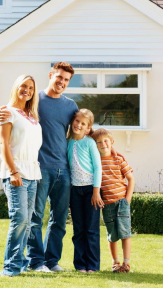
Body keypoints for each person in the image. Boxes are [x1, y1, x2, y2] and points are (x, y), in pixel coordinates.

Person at [0, 62, 78, 272]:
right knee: (33, 219)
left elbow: (81, 130)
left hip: (63, 168)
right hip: (39, 169)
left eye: (66, 79)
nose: (61, 82)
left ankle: (51, 262)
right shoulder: (34, 100)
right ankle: (35, 261)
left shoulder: (70, 106)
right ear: (51, 75)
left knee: (59, 220)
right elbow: (10, 116)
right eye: (59, 77)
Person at [0, 75, 42, 277]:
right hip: (16, 173)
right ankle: (10, 267)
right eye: (23, 86)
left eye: (31, 88)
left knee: (26, 223)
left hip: (32, 173)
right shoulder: (7, 112)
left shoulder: (30, 116)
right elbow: (4, 144)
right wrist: (13, 171)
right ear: (16, 87)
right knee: (20, 220)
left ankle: (21, 263)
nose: (27, 90)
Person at [92, 128, 135, 273]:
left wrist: (127, 200)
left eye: (106, 141)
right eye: (99, 142)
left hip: (121, 202)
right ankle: (115, 262)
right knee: (112, 235)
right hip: (107, 205)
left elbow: (131, 179)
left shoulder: (118, 159)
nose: (103, 144)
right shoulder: (95, 161)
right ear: (95, 145)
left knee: (125, 233)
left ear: (112, 142)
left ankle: (126, 263)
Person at [67, 109, 102, 273]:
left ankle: (93, 265)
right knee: (78, 229)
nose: (78, 125)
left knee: (91, 230)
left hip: (90, 191)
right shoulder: (68, 142)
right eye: (77, 121)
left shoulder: (89, 142)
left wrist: (96, 191)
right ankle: (80, 264)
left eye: (83, 123)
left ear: (88, 128)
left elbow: (97, 167)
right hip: (75, 191)